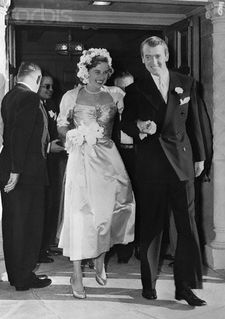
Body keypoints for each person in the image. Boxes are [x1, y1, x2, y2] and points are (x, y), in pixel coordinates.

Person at [121, 36, 207, 306]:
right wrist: (140, 126)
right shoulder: (135, 90)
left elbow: (196, 124)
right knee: (152, 227)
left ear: (166, 54)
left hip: (182, 164)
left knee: (186, 227)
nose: (153, 62)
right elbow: (125, 125)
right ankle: (148, 284)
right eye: (148, 57)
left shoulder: (186, 83)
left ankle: (184, 286)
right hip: (151, 166)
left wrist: (201, 157)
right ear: (142, 58)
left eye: (157, 56)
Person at [57, 48, 135, 299]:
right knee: (80, 215)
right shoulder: (71, 96)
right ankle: (77, 273)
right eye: (96, 72)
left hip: (109, 161)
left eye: (105, 72)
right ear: (85, 71)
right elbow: (61, 124)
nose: (101, 76)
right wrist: (71, 134)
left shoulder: (116, 94)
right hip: (81, 159)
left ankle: (100, 258)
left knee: (106, 214)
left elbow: (131, 120)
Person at [0, 62, 52, 291]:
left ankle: (16, 275)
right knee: (28, 225)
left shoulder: (9, 96)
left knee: (13, 224)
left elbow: (12, 135)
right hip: (25, 174)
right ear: (37, 78)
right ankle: (23, 277)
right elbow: (20, 135)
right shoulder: (30, 98)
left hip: (10, 167)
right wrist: (17, 170)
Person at [38, 73, 65, 263]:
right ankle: (38, 249)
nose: (50, 90)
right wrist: (48, 148)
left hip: (53, 163)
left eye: (52, 86)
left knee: (51, 204)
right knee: (41, 206)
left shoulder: (53, 106)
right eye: (46, 86)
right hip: (40, 163)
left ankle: (46, 245)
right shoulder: (32, 105)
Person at [111, 71, 137, 263]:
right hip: (116, 158)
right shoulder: (109, 109)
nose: (124, 93)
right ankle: (122, 249)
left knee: (139, 202)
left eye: (128, 89)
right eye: (120, 89)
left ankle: (138, 246)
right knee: (119, 203)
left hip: (137, 158)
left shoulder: (140, 107)